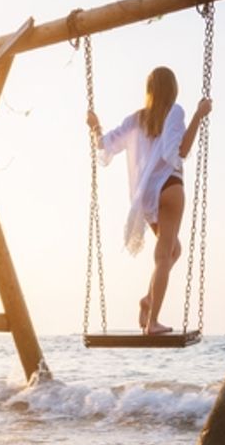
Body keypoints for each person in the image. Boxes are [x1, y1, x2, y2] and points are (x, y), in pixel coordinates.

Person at [87, 67, 211, 334]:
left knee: (171, 251)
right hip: (170, 187)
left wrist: (95, 125)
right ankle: (152, 322)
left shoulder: (136, 119)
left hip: (147, 197)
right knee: (164, 256)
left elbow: (104, 145)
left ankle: (147, 301)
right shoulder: (175, 111)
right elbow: (179, 151)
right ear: (172, 89)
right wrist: (199, 116)